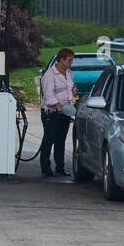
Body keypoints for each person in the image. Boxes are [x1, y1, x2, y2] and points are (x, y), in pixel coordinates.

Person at [40, 47, 76, 178]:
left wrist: (72, 92)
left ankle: (60, 167)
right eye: (69, 60)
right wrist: (57, 104)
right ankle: (46, 168)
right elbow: (48, 93)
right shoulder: (50, 74)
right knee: (49, 139)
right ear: (61, 60)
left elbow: (68, 88)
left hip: (65, 110)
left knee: (61, 139)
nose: (71, 63)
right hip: (52, 112)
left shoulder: (68, 72)